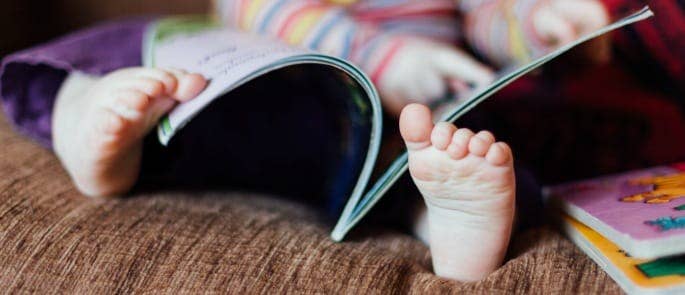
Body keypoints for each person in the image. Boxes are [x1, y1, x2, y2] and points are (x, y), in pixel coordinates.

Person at [0, 0, 609, 282]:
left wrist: (542, 24)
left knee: (474, 151)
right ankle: (91, 125)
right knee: (126, 55)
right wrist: (378, 55)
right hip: (266, 107)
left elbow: (487, 16)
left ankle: (446, 219)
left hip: (394, 139)